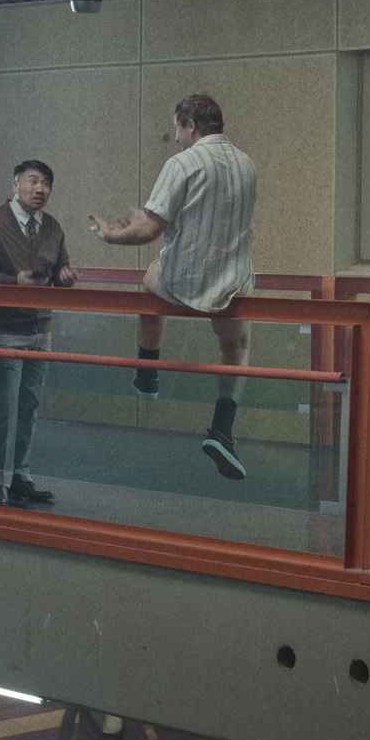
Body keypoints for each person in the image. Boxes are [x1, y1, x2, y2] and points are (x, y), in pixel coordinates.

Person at [88, 94, 257, 480]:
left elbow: (149, 229)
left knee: (148, 287)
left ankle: (148, 371)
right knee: (236, 346)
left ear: (190, 126)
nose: (176, 137)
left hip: (183, 278)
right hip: (234, 280)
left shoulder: (182, 163)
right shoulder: (246, 163)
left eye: (177, 129)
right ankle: (222, 430)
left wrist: (111, 235)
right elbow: (209, 216)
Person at [0, 160, 77, 507]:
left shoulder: (53, 228)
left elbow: (60, 269)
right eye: (32, 181)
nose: (40, 188)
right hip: (2, 330)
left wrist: (65, 278)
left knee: (28, 406)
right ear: (15, 186)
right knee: (3, 407)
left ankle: (19, 476)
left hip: (40, 329)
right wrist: (13, 282)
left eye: (46, 183)